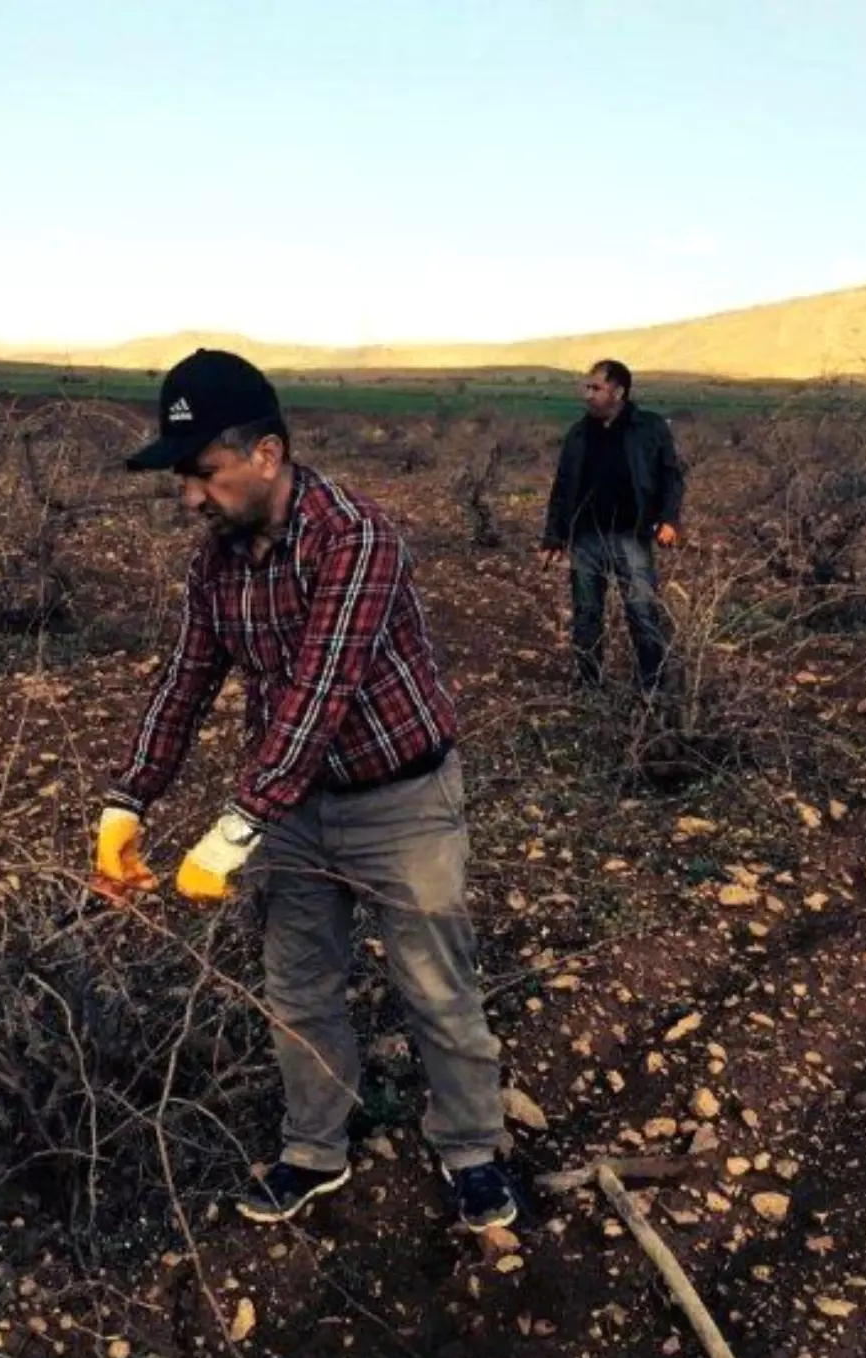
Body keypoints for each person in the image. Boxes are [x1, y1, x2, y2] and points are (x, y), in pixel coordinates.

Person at [94, 349, 517, 1232]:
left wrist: (231, 831)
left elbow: (322, 693)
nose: (191, 499)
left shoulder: (356, 540)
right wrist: (127, 801)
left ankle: (473, 1149)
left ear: (268, 454)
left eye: (203, 475)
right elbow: (185, 680)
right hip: (293, 811)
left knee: (436, 985)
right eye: (183, 478)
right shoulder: (216, 565)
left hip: (402, 800)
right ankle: (314, 1149)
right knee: (298, 988)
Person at [541, 359, 684, 694]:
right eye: (586, 387)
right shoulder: (578, 434)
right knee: (586, 616)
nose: (587, 395)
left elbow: (671, 476)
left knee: (642, 612)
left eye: (596, 388)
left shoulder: (648, 428)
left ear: (618, 391)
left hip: (631, 536)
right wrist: (553, 536)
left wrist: (669, 519)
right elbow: (562, 487)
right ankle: (589, 686)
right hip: (586, 539)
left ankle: (653, 689)